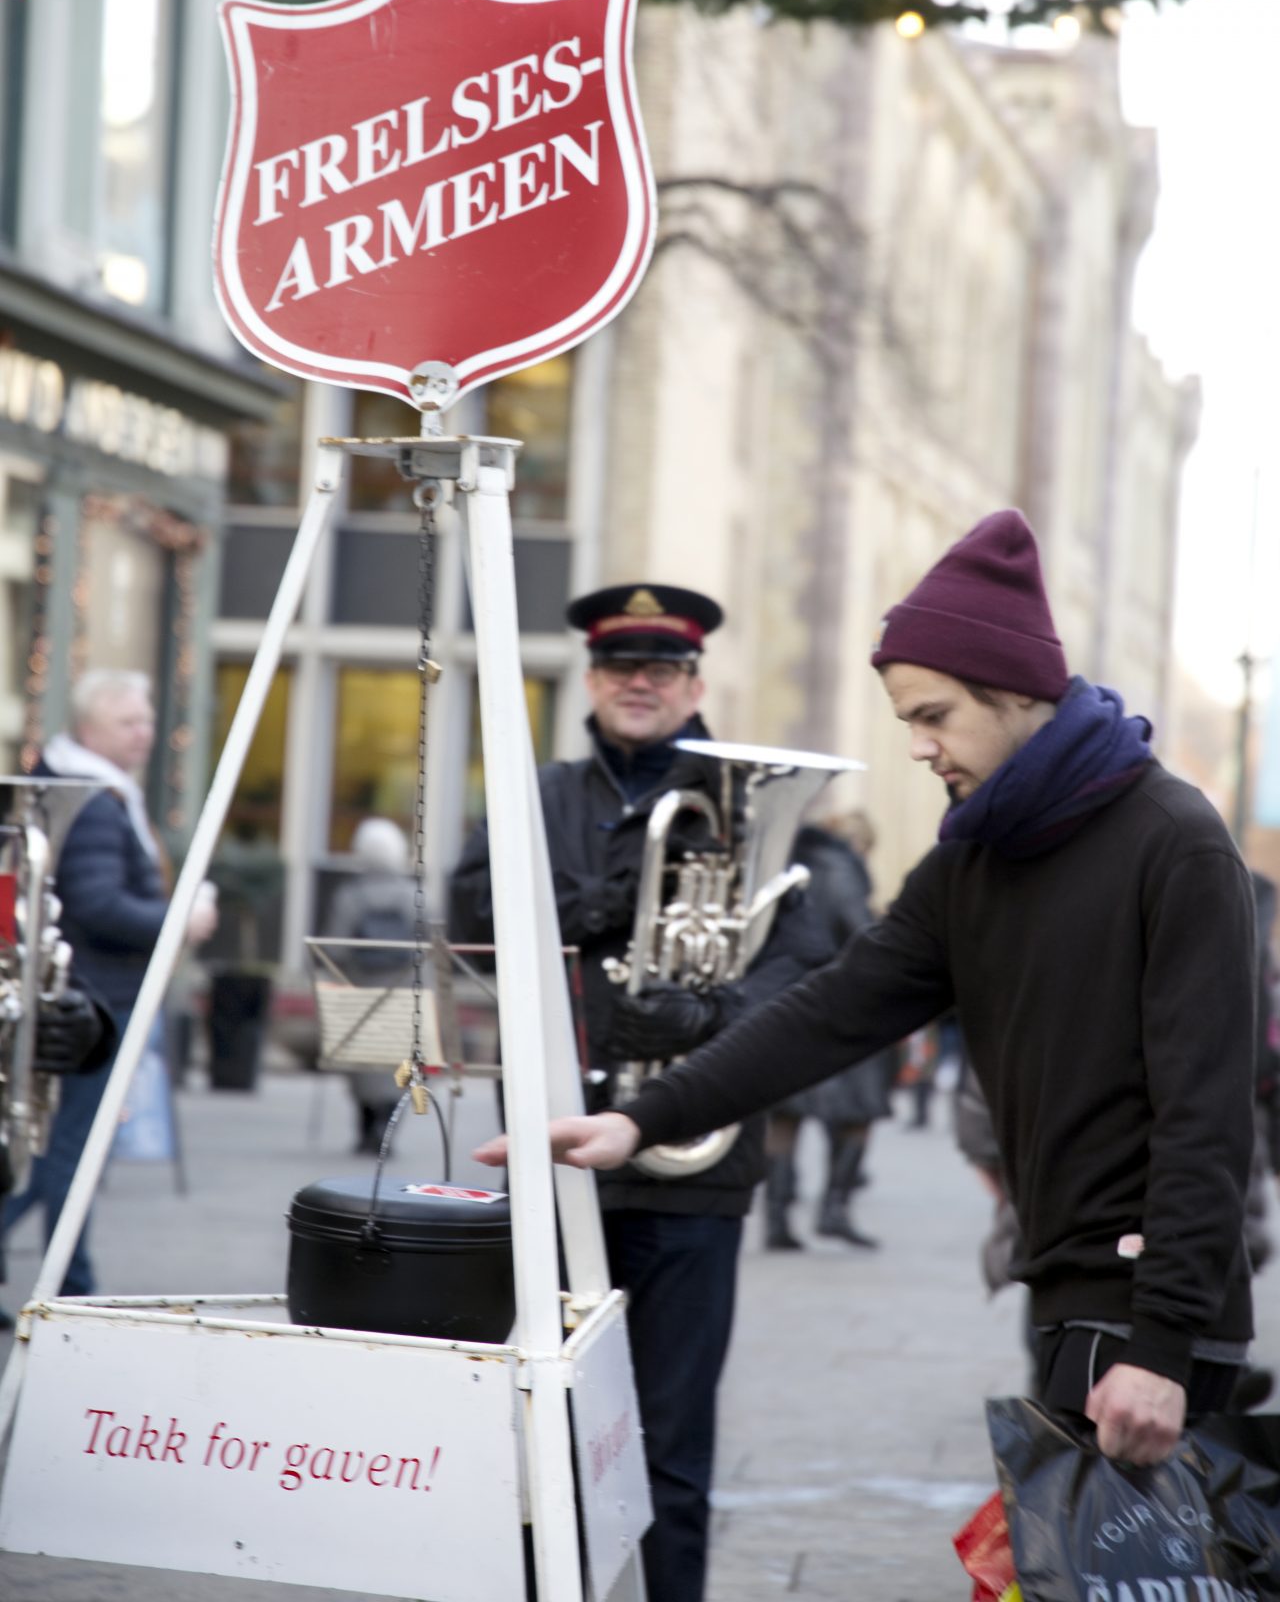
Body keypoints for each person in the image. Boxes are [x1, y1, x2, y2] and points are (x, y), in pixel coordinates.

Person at [480, 512, 1258, 1471]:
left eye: (935, 716)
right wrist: (643, 1119)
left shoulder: (1172, 839)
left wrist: (1163, 1345)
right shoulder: (979, 850)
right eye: (909, 722)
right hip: (1070, 1288)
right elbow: (839, 1006)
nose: (920, 747)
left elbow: (1207, 1116)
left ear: (1013, 690)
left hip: (1144, 1314)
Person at [451, 582, 815, 1602]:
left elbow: (807, 964)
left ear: (695, 680)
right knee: (538, 1424)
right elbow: (469, 904)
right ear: (592, 679)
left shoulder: (745, 800)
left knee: (669, 1441)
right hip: (553, 1148)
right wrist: (602, 904)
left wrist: (712, 1015)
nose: (639, 684)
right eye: (620, 667)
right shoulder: (542, 794)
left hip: (693, 1164)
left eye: (660, 668)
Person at [1, 670, 217, 1302]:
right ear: (89, 728)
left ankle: (71, 1280)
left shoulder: (94, 787)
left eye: (148, 720)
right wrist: (181, 920)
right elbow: (97, 905)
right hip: (92, 999)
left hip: (77, 994)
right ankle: (73, 1287)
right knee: (69, 1147)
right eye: (129, 722)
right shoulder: (93, 798)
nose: (145, 735)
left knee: (56, 1146)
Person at [764, 808, 892, 1250]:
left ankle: (776, 1219)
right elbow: (864, 936)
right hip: (841, 1003)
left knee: (786, 1115)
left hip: (785, 1000)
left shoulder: (789, 861)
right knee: (859, 1114)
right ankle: (834, 1210)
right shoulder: (842, 871)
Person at [325, 816, 418, 1154]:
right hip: (403, 995)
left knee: (363, 1064)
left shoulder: (350, 896)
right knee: (398, 1062)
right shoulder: (415, 896)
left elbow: (334, 949)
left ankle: (365, 1129)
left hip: (360, 992)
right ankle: (387, 1128)